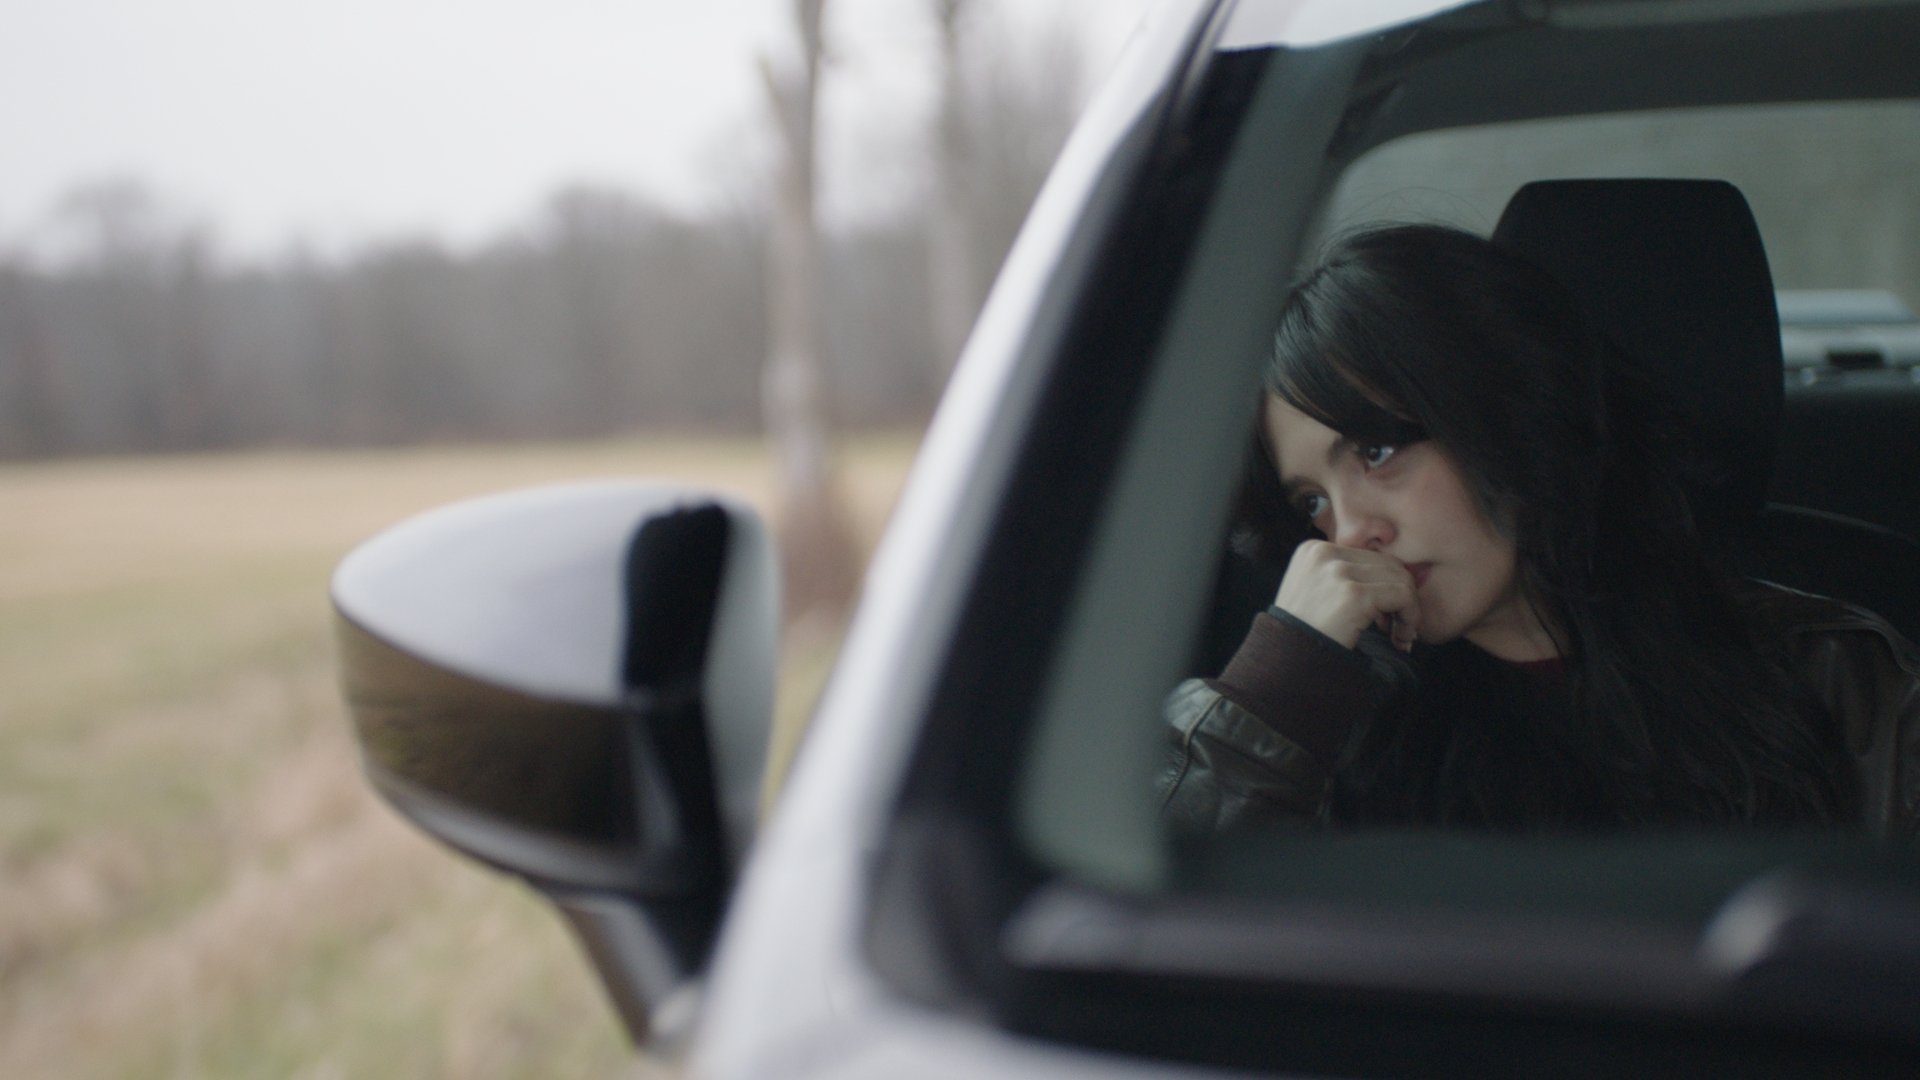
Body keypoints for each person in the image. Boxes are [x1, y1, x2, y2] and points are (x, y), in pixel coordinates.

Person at [1160, 223, 1920, 835]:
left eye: (1377, 451)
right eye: (1310, 504)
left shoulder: (1833, 672)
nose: (1350, 532)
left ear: (1504, 414)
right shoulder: (1320, 723)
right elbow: (1157, 941)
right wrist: (1278, 691)